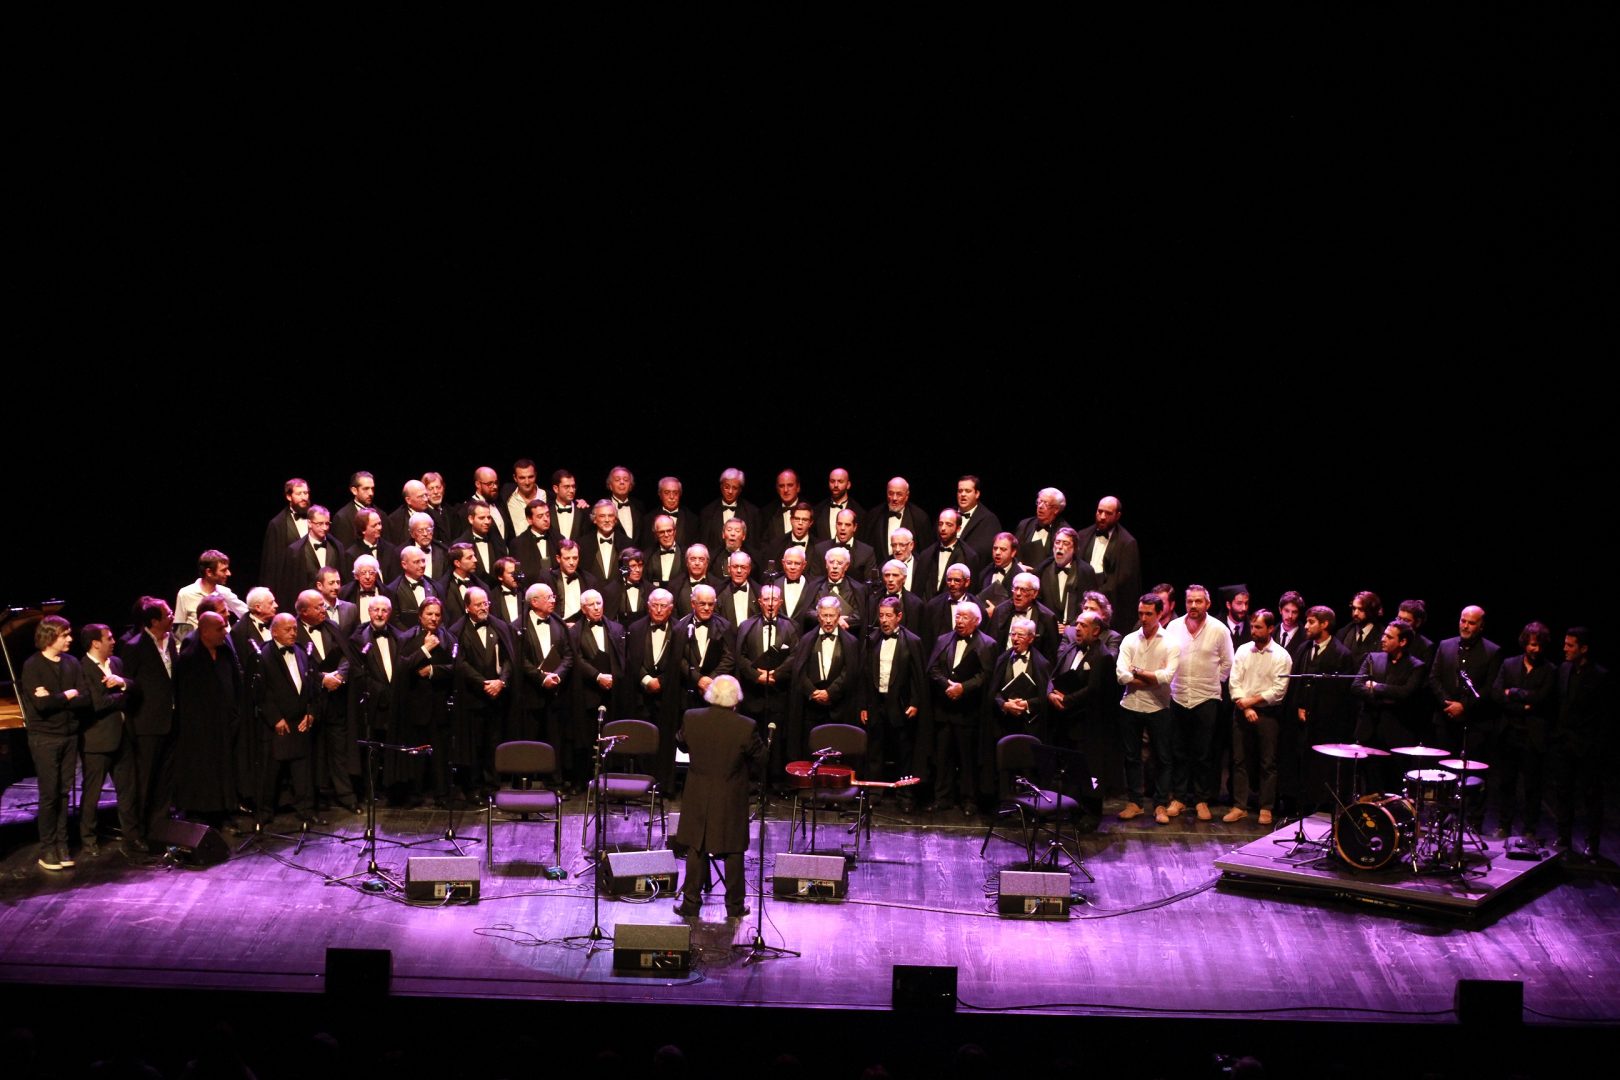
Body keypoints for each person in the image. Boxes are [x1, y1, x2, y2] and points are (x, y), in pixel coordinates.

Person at [672, 675, 765, 919]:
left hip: (697, 794)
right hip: (730, 796)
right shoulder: (746, 726)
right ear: (736, 699)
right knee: (733, 850)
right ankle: (735, 907)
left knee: (696, 847)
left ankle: (690, 904)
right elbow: (761, 759)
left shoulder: (692, 717)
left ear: (711, 695)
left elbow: (681, 743)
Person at [1165, 584, 1233, 824]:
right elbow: (1166, 656)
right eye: (1190, 601)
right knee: (1178, 750)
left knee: (1203, 752)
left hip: (1206, 698)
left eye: (1198, 601)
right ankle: (1180, 797)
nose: (1193, 606)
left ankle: (1201, 799)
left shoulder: (1219, 630)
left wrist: (1212, 682)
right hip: (1178, 694)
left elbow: (1228, 663)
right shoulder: (1173, 627)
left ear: (1208, 604)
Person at [77, 622, 144, 858]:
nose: (114, 641)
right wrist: (122, 695)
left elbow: (135, 688)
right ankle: (88, 839)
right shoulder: (83, 668)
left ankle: (132, 836)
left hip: (123, 736)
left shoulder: (115, 663)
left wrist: (122, 683)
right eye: (109, 638)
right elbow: (98, 704)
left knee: (128, 790)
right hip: (98, 741)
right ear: (96, 643)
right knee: (92, 793)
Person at [172, 611, 243, 829]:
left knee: (225, 769)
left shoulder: (225, 653)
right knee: (203, 770)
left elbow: (235, 682)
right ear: (205, 631)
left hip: (225, 723)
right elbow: (184, 697)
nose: (225, 632)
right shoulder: (190, 658)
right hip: (200, 727)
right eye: (219, 628)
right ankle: (201, 812)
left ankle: (223, 810)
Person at [22, 615, 82, 870]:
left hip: (69, 736)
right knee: (49, 794)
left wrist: (58, 697)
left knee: (64, 793)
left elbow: (84, 697)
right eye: (65, 635)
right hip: (44, 737)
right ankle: (48, 848)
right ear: (50, 637)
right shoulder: (33, 666)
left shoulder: (72, 663)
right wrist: (67, 695)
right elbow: (42, 705)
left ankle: (62, 844)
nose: (70, 639)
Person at [1224, 609, 1293, 825]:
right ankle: (1240, 805)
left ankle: (1266, 807)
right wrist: (1245, 707)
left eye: (1258, 627)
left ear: (1271, 628)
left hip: (1268, 714)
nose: (1253, 630)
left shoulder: (1281, 656)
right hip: (1242, 710)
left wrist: (1251, 702)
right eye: (1252, 626)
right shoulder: (1243, 650)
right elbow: (1234, 682)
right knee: (1239, 759)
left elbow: (1278, 691)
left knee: (1267, 761)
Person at [1115, 592, 1180, 823]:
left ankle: (1160, 804)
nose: (1143, 618)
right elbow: (1121, 675)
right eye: (1141, 613)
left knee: (1162, 757)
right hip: (1131, 705)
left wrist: (1138, 671)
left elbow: (1167, 676)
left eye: (1148, 614)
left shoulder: (1170, 642)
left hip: (1158, 706)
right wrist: (1150, 678)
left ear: (1160, 614)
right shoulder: (1130, 640)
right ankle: (1135, 802)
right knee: (1132, 757)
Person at [1490, 622, 1555, 841]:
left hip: (1532, 737)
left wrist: (1513, 693)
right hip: (1508, 732)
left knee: (1532, 787)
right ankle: (1503, 825)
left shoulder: (1550, 670)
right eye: (1532, 644)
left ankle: (1529, 829)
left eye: (1539, 645)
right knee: (1506, 783)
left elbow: (1542, 698)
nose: (1535, 649)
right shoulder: (1509, 664)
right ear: (1524, 643)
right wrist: (1523, 704)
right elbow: (1497, 694)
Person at [254, 612, 318, 827]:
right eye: (287, 629)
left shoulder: (301, 651)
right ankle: (264, 812)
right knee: (270, 771)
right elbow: (262, 692)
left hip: (300, 721)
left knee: (303, 770)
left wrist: (311, 712)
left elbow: (312, 685)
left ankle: (306, 810)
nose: (293, 633)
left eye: (295, 629)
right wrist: (275, 718)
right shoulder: (264, 655)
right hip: (277, 724)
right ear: (274, 632)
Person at [1552, 627, 1609, 858]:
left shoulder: (1600, 676)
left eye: (1570, 645)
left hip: (1587, 746)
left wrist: (1595, 746)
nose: (1564, 649)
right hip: (1564, 743)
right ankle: (1563, 837)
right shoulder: (1564, 669)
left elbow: (1605, 716)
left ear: (1583, 648)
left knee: (1591, 796)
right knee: (1563, 793)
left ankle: (1592, 842)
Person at [1073, 496, 1142, 633]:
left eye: (1108, 513)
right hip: (1082, 596)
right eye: (1100, 512)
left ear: (1118, 515)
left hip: (1109, 603)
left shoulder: (1127, 543)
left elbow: (1124, 581)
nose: (1102, 517)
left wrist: (1097, 598)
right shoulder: (1083, 535)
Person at [173, 549, 248, 640]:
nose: (229, 573)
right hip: (198, 646)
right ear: (209, 572)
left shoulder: (225, 593)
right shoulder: (186, 593)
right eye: (223, 570)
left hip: (222, 645)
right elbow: (179, 628)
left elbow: (246, 614)